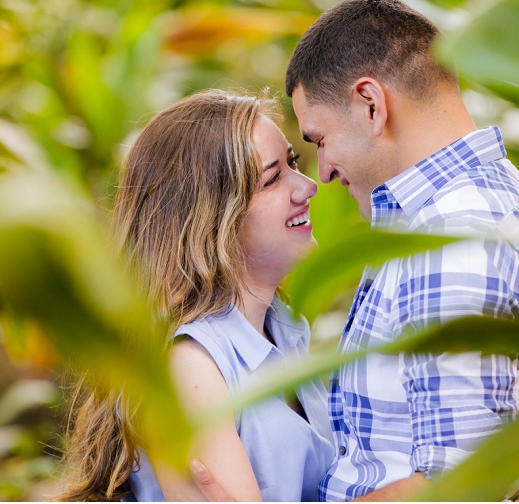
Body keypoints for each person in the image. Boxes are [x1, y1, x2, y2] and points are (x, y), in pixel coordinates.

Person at [193, 0, 519, 501]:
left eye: (319, 140)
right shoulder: (489, 201)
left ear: (372, 105)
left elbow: (458, 488)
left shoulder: (448, 234)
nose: (323, 172)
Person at [58, 90, 335, 501]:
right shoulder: (190, 367)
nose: (308, 186)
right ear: (210, 218)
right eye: (274, 178)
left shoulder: (285, 331)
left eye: (293, 162)